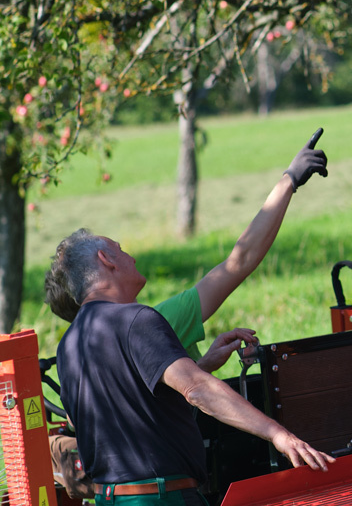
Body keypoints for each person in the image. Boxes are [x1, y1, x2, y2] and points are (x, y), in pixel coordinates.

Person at [48, 130, 334, 504]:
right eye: (121, 249)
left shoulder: (68, 345)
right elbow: (196, 390)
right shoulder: (138, 320)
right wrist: (279, 435)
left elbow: (121, 415)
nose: (131, 256)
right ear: (106, 260)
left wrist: (200, 365)